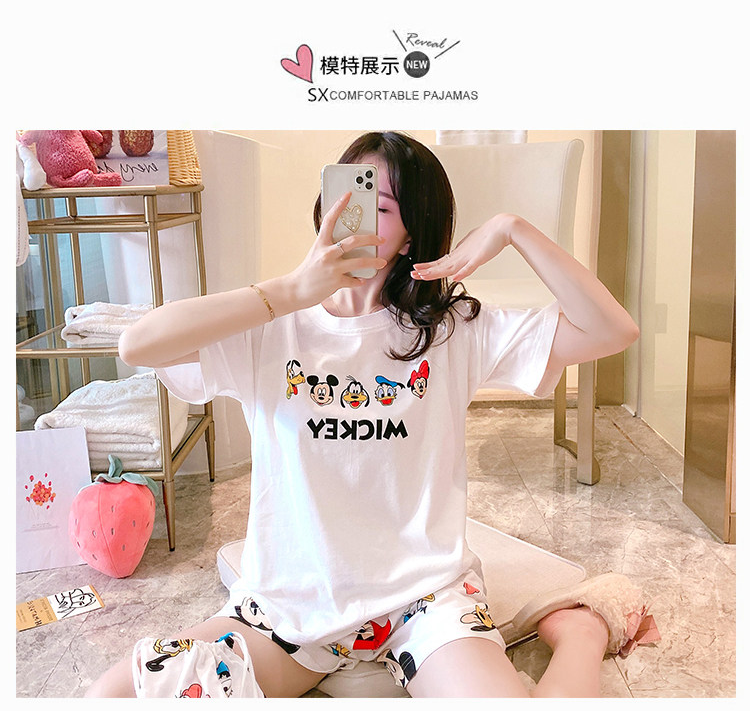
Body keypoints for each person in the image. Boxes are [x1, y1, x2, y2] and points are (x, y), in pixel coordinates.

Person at [86, 131, 646, 698]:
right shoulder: (270, 324)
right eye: (347, 194)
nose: (352, 217)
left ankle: (581, 630)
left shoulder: (450, 331)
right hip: (288, 612)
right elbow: (138, 345)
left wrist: (511, 229)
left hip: (425, 603)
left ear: (410, 237)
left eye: (379, 207)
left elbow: (612, 330)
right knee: (111, 697)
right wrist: (290, 290)